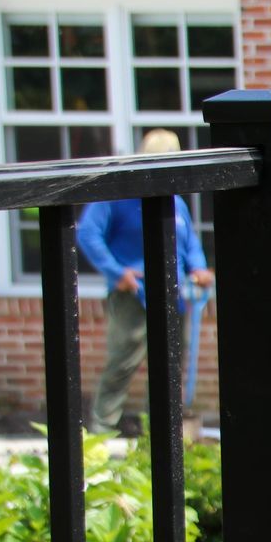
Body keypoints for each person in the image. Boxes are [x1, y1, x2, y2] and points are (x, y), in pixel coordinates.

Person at [75, 129, 215, 436]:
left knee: (169, 366)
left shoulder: (175, 201)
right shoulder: (117, 196)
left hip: (175, 292)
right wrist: (116, 273)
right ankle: (101, 431)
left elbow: (189, 242)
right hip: (133, 294)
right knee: (122, 363)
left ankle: (162, 431)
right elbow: (87, 233)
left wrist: (200, 268)